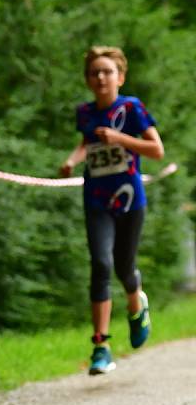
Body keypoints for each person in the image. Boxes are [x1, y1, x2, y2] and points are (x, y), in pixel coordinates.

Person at [60, 46, 164, 375]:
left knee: (124, 266)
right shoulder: (85, 112)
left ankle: (137, 304)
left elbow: (156, 150)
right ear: (88, 80)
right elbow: (86, 143)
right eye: (95, 73)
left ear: (120, 77)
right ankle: (100, 346)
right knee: (101, 265)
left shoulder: (131, 108)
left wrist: (121, 139)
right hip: (96, 200)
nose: (101, 77)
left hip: (131, 198)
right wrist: (71, 161)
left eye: (107, 71)